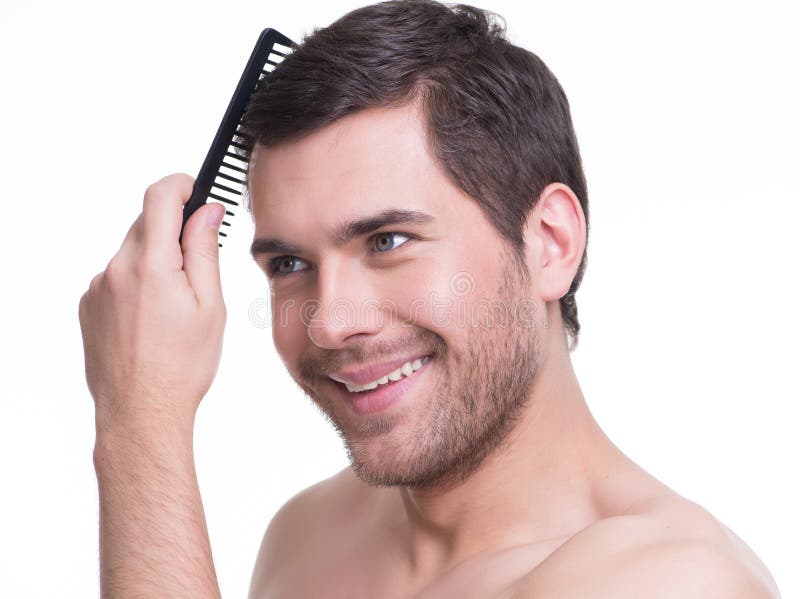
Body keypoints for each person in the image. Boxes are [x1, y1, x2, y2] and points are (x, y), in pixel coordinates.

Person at [78, 1, 780, 597]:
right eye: (289, 262)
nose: (329, 320)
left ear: (550, 243)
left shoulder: (672, 580)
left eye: (386, 241)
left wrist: (141, 423)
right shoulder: (304, 541)